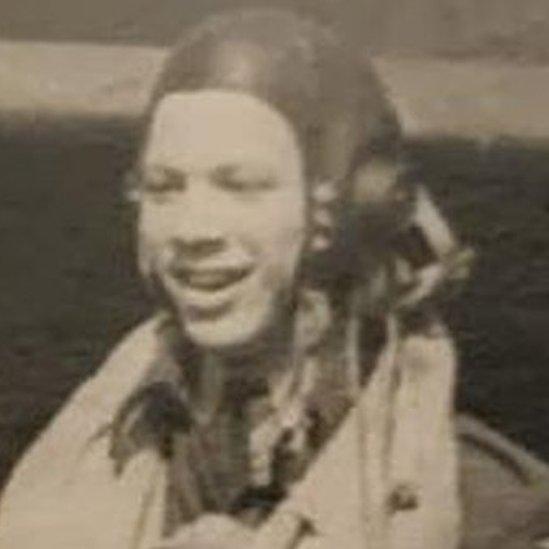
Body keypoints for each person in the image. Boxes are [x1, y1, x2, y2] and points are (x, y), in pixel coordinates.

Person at [1, 8, 549, 549]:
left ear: (346, 213)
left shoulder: (493, 513)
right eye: (164, 186)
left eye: (242, 185)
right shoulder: (80, 460)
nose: (193, 229)